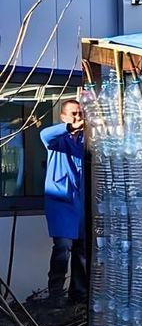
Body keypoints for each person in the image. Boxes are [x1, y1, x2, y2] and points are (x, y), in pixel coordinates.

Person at [36, 99, 86, 307]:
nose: (77, 118)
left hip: (81, 203)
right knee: (63, 246)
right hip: (61, 202)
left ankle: (78, 293)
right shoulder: (56, 140)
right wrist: (69, 128)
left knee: (81, 249)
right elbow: (44, 134)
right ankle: (55, 293)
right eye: (73, 114)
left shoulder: (86, 140)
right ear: (63, 117)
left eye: (80, 114)